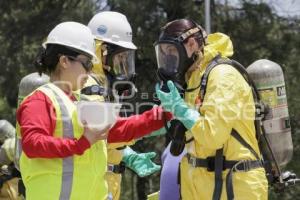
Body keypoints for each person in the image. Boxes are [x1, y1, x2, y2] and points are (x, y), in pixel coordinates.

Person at [16, 21, 172, 200]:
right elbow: (33, 144)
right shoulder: (39, 100)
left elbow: (118, 129)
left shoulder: (75, 102)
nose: (90, 71)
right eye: (87, 63)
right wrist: (82, 142)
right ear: (64, 61)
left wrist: (164, 113)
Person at [155, 19, 268, 200]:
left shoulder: (222, 76)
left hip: (234, 187)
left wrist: (180, 109)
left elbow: (212, 136)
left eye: (171, 51)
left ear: (191, 44)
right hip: (205, 184)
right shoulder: (194, 79)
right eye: (163, 53)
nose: (168, 58)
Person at [87, 11, 162, 200]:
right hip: (93, 183)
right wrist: (157, 118)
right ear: (101, 52)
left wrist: (126, 154)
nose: (123, 65)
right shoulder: (88, 86)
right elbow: (106, 132)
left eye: (126, 58)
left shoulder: (105, 87)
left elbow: (105, 141)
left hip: (107, 180)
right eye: (120, 58)